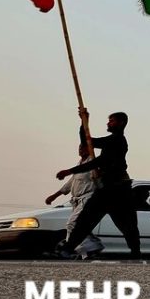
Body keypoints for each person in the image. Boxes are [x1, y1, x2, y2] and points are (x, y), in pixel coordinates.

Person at [56, 110, 140, 259]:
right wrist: (84, 121)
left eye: (112, 121)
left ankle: (136, 254)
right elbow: (87, 141)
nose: (108, 123)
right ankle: (68, 248)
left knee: (128, 226)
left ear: (121, 123)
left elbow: (98, 161)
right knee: (85, 219)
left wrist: (69, 171)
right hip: (106, 189)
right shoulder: (110, 140)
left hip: (120, 191)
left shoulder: (118, 141)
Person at [45, 143, 103, 258]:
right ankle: (84, 254)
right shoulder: (79, 165)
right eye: (80, 148)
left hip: (87, 199)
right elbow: (70, 183)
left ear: (89, 149)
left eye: (84, 148)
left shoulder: (92, 164)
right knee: (80, 227)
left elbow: (99, 179)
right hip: (76, 200)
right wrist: (54, 196)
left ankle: (92, 245)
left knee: (73, 224)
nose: (81, 150)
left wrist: (98, 174)